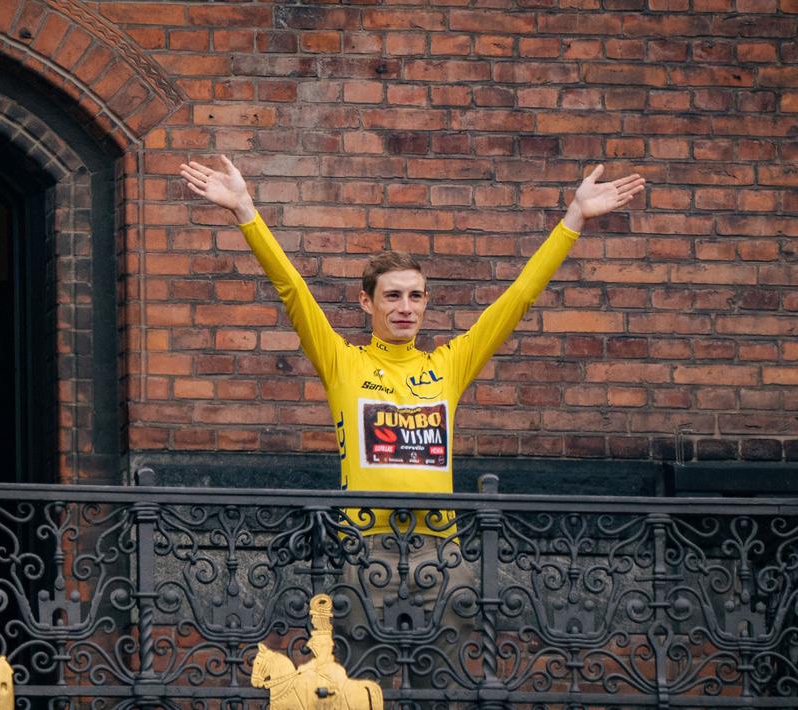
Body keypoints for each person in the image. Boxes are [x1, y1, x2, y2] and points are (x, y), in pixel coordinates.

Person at [180, 156, 645, 691]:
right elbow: (292, 292)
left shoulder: (446, 365)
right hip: (364, 551)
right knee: (364, 693)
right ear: (367, 302)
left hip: (440, 555)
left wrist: (574, 220)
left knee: (442, 690)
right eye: (393, 296)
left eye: (416, 296)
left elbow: (518, 299)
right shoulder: (344, 362)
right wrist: (245, 211)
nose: (406, 307)